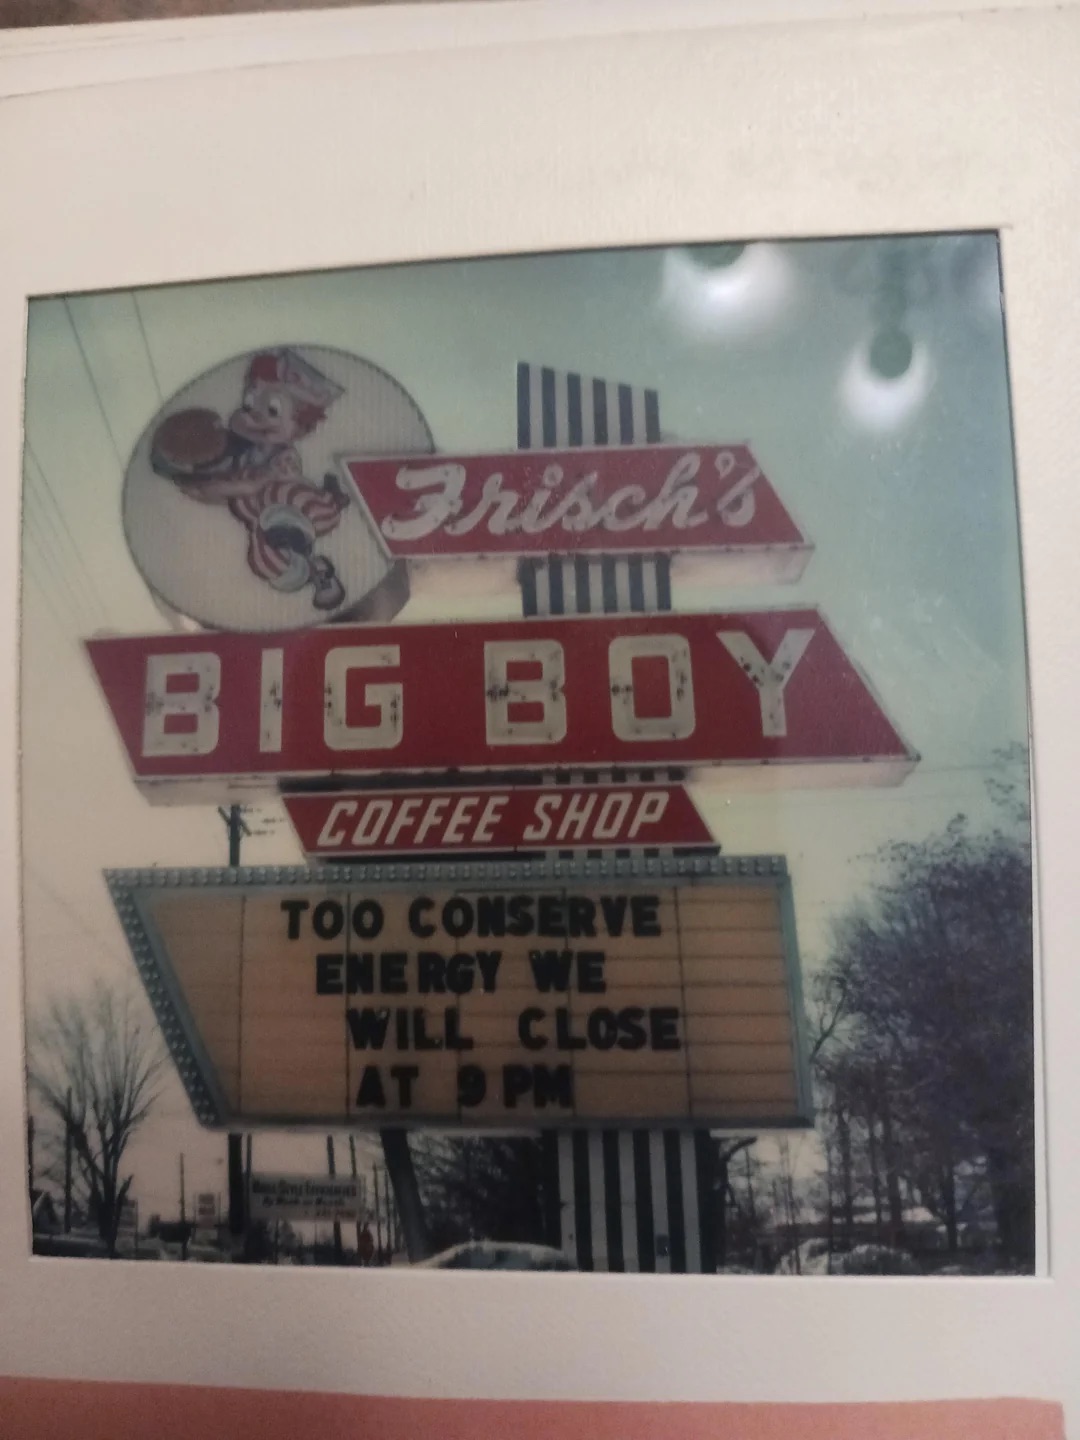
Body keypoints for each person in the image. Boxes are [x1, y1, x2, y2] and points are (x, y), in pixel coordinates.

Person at [153, 347, 350, 611]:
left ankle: (299, 554)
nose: (254, 415)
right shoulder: (219, 443)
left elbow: (278, 480)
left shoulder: (284, 457)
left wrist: (252, 484)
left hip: (276, 510)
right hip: (252, 512)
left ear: (300, 429)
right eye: (248, 404)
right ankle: (297, 556)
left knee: (293, 512)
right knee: (262, 536)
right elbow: (205, 488)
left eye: (272, 411)